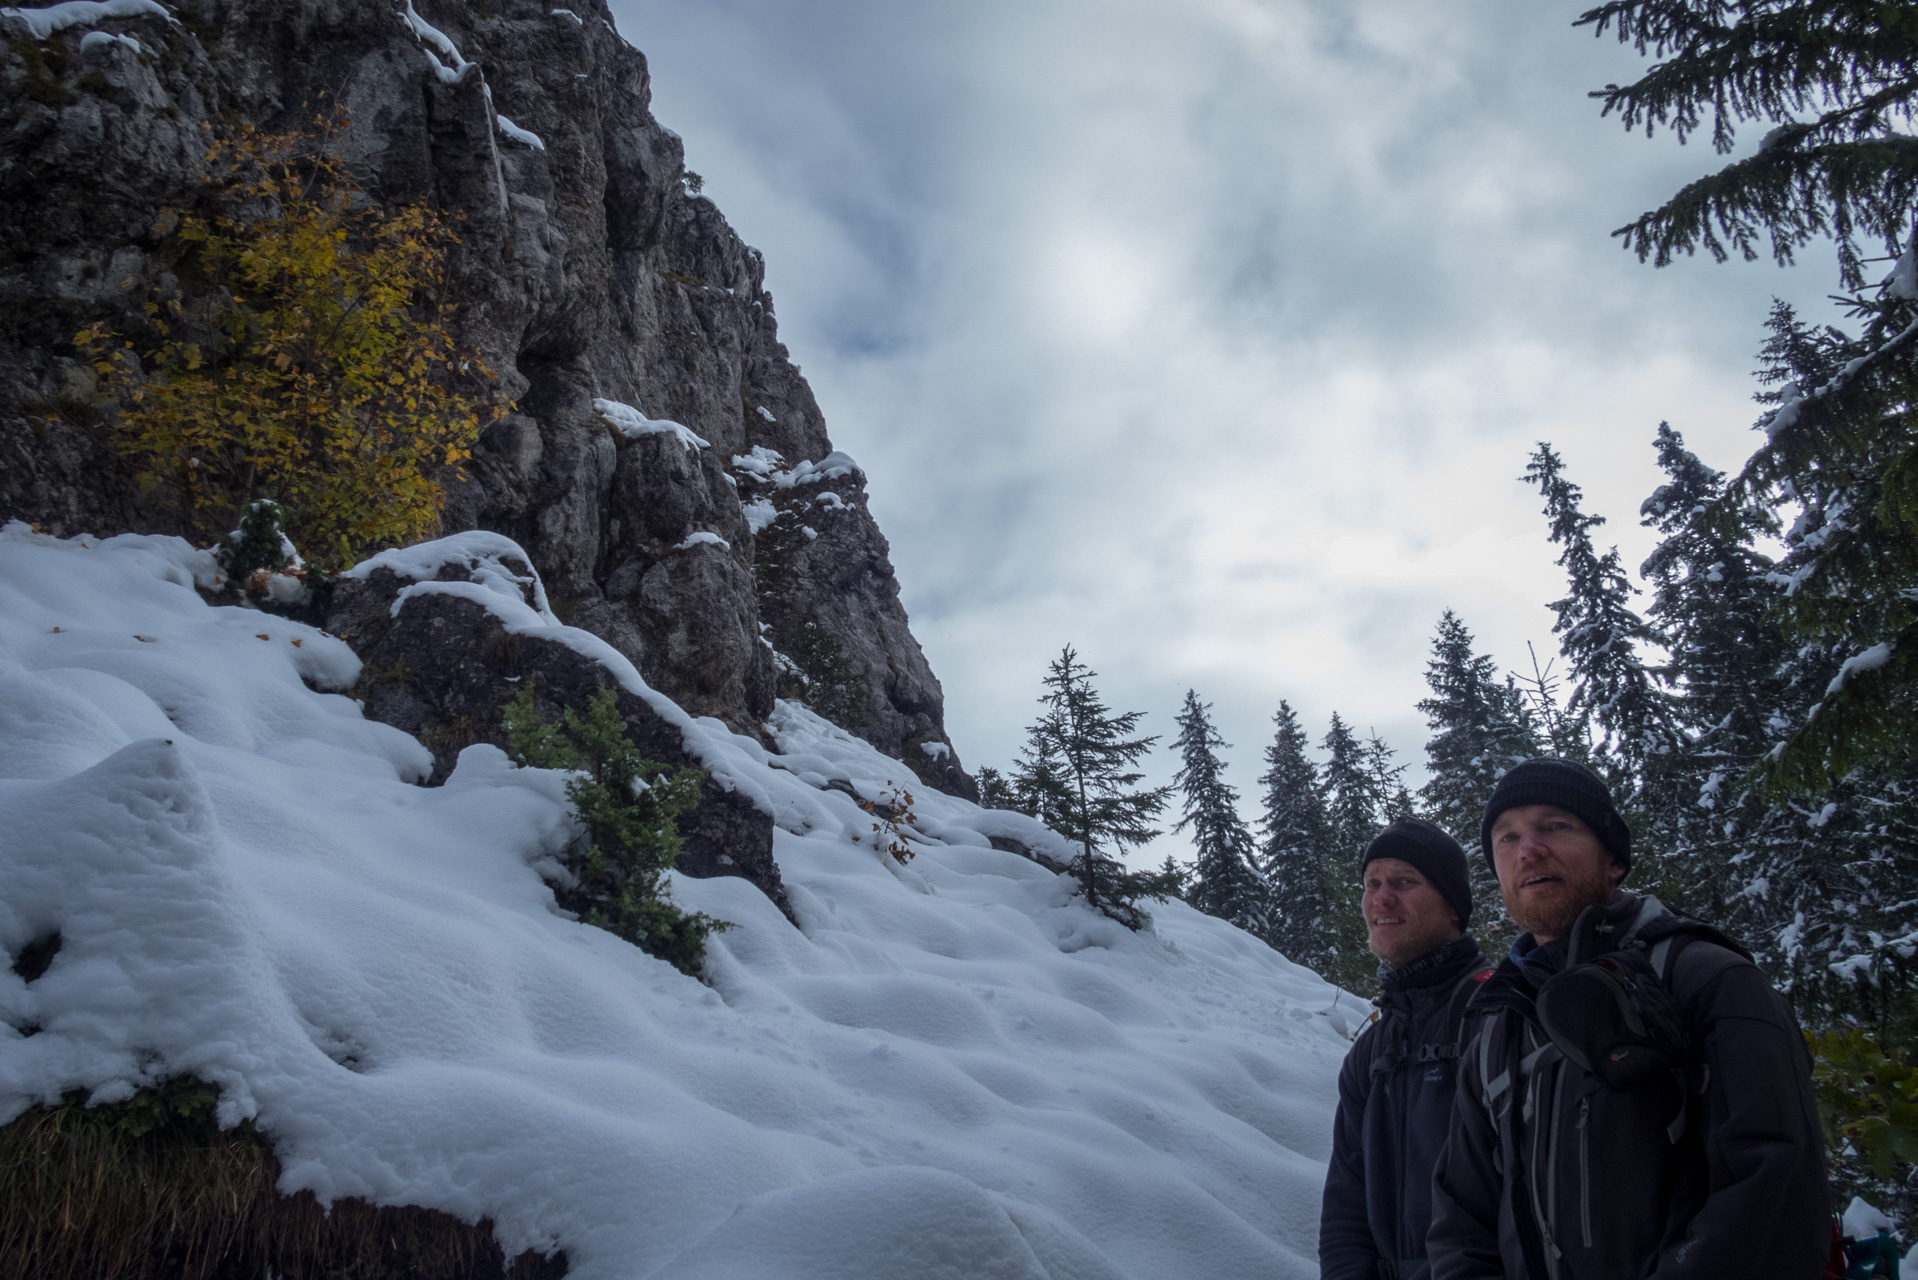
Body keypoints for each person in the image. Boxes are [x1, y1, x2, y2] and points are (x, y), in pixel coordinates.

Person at [1427, 758, 1828, 1280]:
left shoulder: (1704, 979)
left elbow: (1773, 1191)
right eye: (1506, 838)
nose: (1528, 849)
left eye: (1555, 825)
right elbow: (1462, 1220)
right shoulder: (1496, 1027)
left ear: (1613, 859)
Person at [1321, 818, 1493, 1280]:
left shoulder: (1498, 1015)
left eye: (1404, 881)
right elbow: (1345, 1205)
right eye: (1371, 884)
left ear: (1454, 906)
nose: (1381, 898)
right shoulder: (1372, 1049)